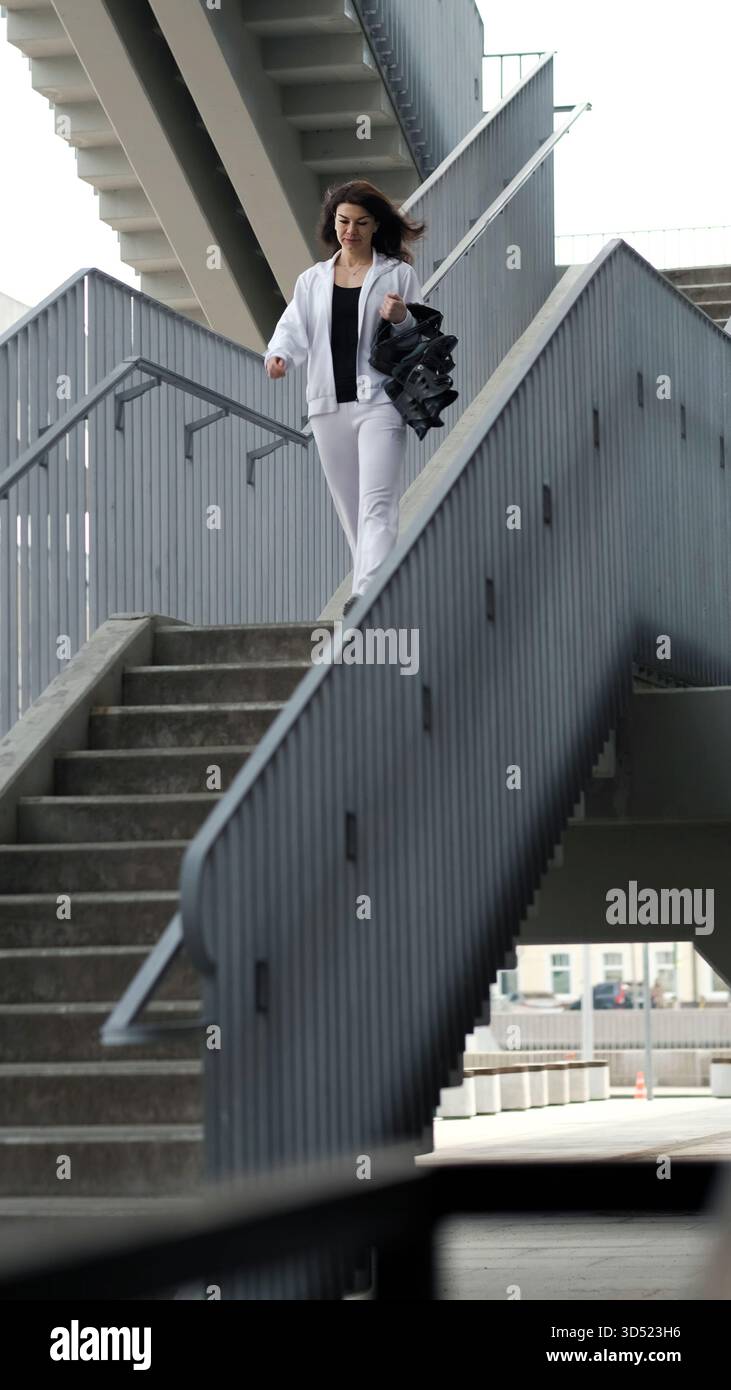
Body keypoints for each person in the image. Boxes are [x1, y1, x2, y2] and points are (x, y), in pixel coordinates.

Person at [264, 180, 426, 615]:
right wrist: (279, 356)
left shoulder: (397, 274)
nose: (350, 231)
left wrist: (403, 316)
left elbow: (420, 336)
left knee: (378, 501)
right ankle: (374, 589)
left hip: (380, 403)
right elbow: (292, 329)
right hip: (327, 406)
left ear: (376, 226)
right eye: (343, 222)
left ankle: (365, 593)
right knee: (351, 508)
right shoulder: (312, 280)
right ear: (332, 223)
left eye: (360, 223)